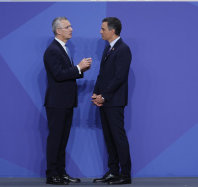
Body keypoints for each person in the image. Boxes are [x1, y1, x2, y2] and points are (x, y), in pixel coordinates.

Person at [44, 17, 92, 185]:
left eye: (71, 26)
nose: (71, 29)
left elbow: (65, 73)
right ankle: (52, 174)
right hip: (56, 103)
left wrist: (80, 69)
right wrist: (78, 67)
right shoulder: (52, 50)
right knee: (56, 139)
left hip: (65, 102)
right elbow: (58, 75)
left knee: (62, 140)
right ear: (58, 31)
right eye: (67, 27)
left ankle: (61, 172)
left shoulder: (62, 49)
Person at [92, 17, 132, 185]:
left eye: (103, 29)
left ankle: (125, 174)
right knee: (109, 138)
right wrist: (96, 94)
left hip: (114, 101)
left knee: (118, 138)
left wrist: (104, 96)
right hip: (105, 100)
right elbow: (103, 75)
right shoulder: (108, 49)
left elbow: (119, 77)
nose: (100, 31)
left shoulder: (123, 49)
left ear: (112, 30)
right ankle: (113, 171)